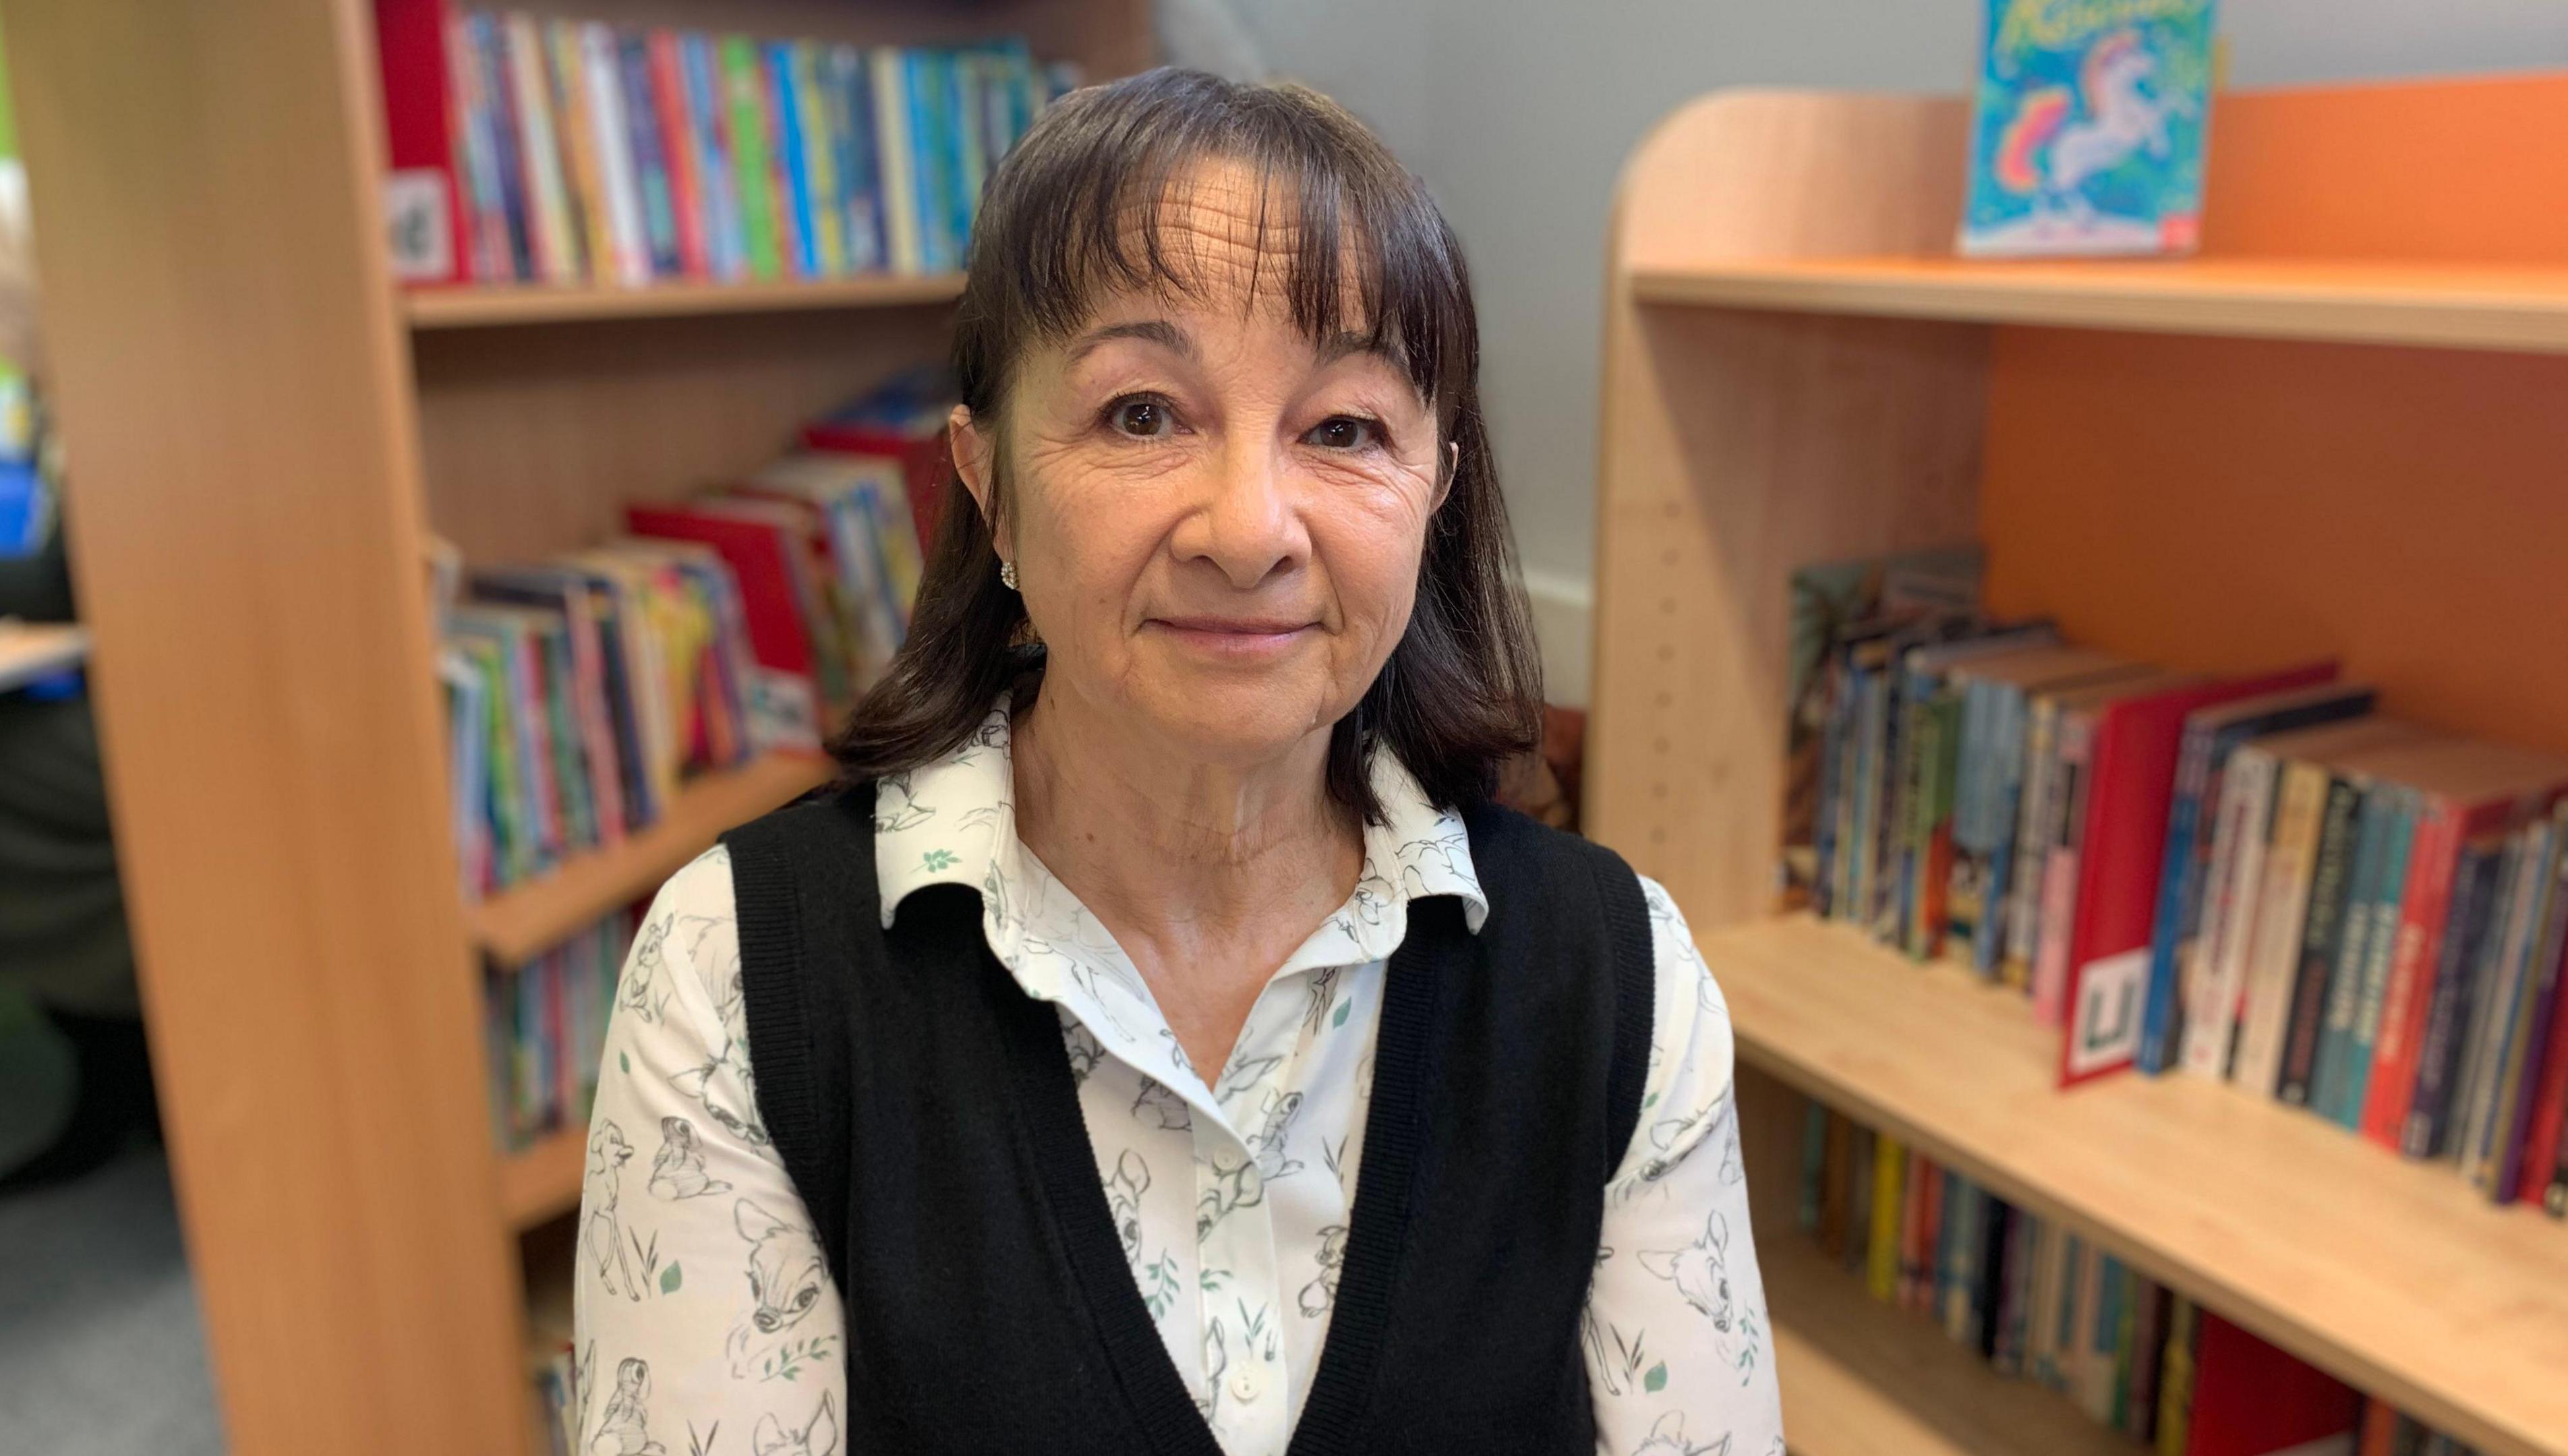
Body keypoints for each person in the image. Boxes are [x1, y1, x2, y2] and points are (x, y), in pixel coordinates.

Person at [576, 67, 1782, 1455]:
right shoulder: (739, 977)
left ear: (1435, 489)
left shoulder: (1621, 978)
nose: (1250, 528)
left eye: (1345, 429)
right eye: (1143, 414)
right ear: (988, 487)